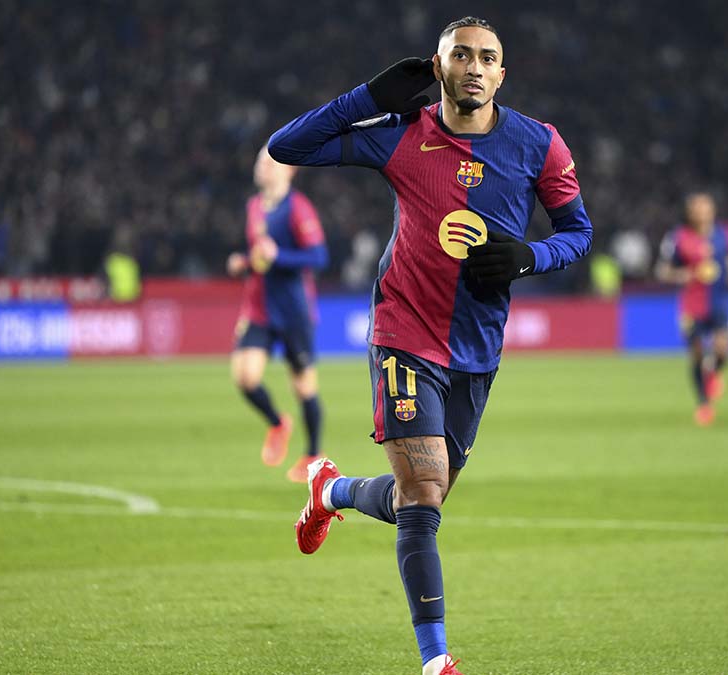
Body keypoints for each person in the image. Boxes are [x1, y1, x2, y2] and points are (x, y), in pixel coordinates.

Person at [266, 16, 592, 675]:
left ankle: (330, 491)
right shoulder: (402, 135)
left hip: (476, 350)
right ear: (438, 69)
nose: (475, 66)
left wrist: (529, 257)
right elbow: (285, 147)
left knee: (419, 496)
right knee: (423, 492)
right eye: (461, 55)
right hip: (404, 333)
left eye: (488, 57)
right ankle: (435, 656)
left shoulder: (540, 145)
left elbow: (579, 233)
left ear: (503, 73)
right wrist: (367, 97)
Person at [227, 149, 328, 482]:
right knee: (245, 376)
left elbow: (318, 256)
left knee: (303, 386)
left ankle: (313, 454)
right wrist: (245, 262)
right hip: (258, 307)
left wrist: (279, 256)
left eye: (269, 162)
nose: (262, 167)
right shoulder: (254, 206)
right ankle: (277, 422)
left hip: (293, 310)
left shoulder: (298, 208)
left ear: (290, 171)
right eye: (260, 161)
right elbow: (261, 257)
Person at [655, 192, 728, 426]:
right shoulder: (678, 238)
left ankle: (714, 371)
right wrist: (681, 274)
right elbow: (662, 271)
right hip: (692, 305)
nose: (701, 212)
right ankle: (704, 404)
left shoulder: (726, 234)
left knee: (723, 349)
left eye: (705, 207)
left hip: (719, 300)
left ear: (712, 210)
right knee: (696, 354)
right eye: (696, 208)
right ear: (690, 212)